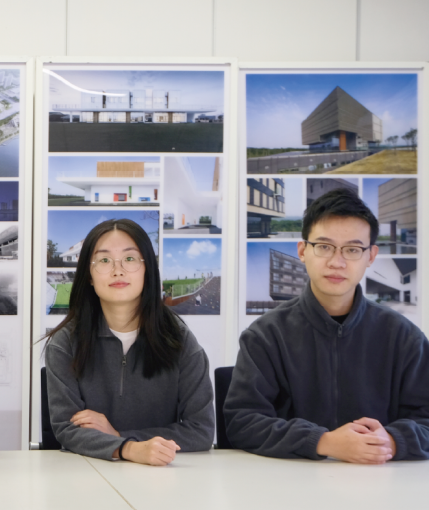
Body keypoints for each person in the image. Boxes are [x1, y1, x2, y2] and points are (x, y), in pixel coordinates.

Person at [226, 189, 429, 462]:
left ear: (371, 256)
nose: (336, 262)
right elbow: (242, 421)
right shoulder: (265, 335)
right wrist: (323, 442)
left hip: (380, 478)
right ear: (303, 251)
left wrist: (391, 441)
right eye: (324, 246)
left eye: (353, 250)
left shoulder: (404, 337)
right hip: (291, 480)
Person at [45, 219, 214, 466]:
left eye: (130, 258)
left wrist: (121, 438)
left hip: (163, 475)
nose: (118, 270)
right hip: (89, 474)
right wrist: (128, 448)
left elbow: (201, 430)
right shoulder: (65, 343)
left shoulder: (180, 340)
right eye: (104, 260)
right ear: (89, 275)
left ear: (147, 270)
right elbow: (67, 429)